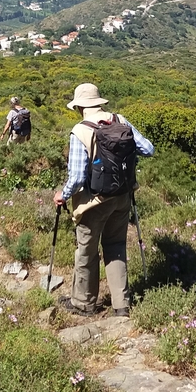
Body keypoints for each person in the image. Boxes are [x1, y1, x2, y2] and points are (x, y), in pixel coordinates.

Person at [53, 82, 154, 317]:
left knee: (87, 252)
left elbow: (77, 177)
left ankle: (84, 304)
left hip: (92, 203)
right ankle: (122, 306)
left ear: (79, 107)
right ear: (99, 103)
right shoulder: (121, 121)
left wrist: (62, 195)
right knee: (116, 247)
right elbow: (148, 149)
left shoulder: (80, 131)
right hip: (122, 197)